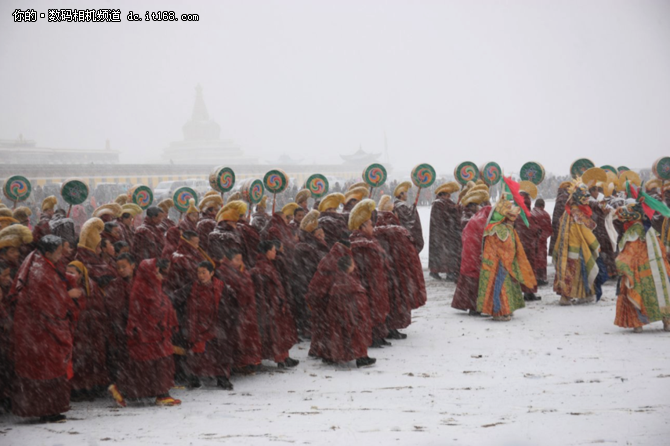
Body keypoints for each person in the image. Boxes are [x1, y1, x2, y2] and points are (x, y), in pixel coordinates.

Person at [11, 235, 83, 423]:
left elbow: (55, 278)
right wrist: (69, 295)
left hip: (34, 327)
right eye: (59, 252)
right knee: (48, 367)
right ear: (48, 252)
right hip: (40, 329)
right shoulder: (39, 272)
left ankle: (47, 408)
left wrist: (68, 279)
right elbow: (50, 303)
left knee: (45, 366)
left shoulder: (37, 260)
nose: (62, 255)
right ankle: (48, 409)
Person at [112, 258, 180, 407]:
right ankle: (124, 390)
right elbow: (150, 309)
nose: (157, 273)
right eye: (154, 271)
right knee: (148, 366)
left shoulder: (150, 284)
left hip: (156, 333)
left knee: (157, 364)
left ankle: (161, 393)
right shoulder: (141, 287)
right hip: (147, 334)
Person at [477, 187, 537, 321]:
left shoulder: (506, 228)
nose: (513, 220)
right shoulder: (497, 229)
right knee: (499, 288)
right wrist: (508, 260)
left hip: (506, 263)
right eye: (511, 218)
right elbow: (504, 247)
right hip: (498, 264)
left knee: (507, 287)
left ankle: (507, 309)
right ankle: (498, 312)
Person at [165, 230, 215, 382]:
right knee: (187, 338)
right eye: (195, 242)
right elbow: (191, 279)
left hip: (188, 299)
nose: (197, 245)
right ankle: (186, 372)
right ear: (187, 241)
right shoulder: (182, 258)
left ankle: (192, 371)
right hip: (185, 301)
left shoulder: (189, 255)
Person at [613, 201, 670, 333]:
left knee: (637, 294)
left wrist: (620, 263)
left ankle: (637, 323)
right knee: (662, 293)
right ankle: (667, 321)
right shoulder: (651, 231)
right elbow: (661, 251)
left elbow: (629, 252)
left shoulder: (634, 232)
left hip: (639, 271)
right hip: (657, 270)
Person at [374, 195, 426, 339]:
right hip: (396, 268)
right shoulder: (394, 227)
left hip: (386, 268)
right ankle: (392, 327)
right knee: (397, 298)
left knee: (389, 298)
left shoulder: (377, 225)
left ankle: (388, 326)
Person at [348, 199, 391, 347]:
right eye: (370, 225)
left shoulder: (369, 239)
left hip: (377, 280)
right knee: (372, 308)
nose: (373, 227)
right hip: (369, 282)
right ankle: (372, 337)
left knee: (379, 307)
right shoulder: (359, 242)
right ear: (362, 226)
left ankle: (379, 334)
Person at [553, 178, 602, 306]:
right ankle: (582, 294)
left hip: (566, 249)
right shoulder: (577, 214)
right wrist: (595, 245)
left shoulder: (568, 212)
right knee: (578, 273)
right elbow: (586, 232)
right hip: (577, 249)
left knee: (567, 273)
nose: (587, 199)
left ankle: (566, 296)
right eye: (584, 196)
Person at [186, 261, 234, 389]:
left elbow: (228, 306)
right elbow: (178, 296)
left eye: (204, 272)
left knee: (220, 353)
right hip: (198, 326)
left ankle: (222, 378)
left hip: (217, 325)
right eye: (199, 272)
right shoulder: (193, 287)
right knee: (197, 355)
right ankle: (194, 378)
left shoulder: (221, 287)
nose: (201, 276)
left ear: (212, 273)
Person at [250, 240, 299, 368]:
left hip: (274, 303)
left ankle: (284, 356)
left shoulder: (269, 265)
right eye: (272, 250)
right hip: (269, 305)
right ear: (266, 252)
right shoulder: (261, 268)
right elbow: (262, 290)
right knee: (274, 332)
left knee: (279, 331)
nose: (275, 252)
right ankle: (280, 359)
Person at [320, 255, 376, 367]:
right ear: (349, 267)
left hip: (337, 313)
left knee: (338, 334)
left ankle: (332, 355)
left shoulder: (337, 280)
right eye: (352, 263)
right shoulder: (350, 282)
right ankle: (361, 357)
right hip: (351, 313)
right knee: (357, 334)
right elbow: (357, 298)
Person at [67, 261, 110, 402]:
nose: (70, 275)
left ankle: (90, 387)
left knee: (90, 358)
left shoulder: (91, 287)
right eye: (68, 272)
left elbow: (99, 308)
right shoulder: (67, 287)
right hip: (75, 330)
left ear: (81, 273)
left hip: (91, 329)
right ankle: (76, 389)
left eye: (73, 272)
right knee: (77, 359)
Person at [216, 248, 262, 372]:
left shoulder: (242, 270)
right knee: (239, 337)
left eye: (241, 259)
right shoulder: (224, 272)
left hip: (249, 309)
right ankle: (240, 363)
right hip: (236, 309)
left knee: (250, 336)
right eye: (237, 260)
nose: (240, 262)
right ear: (229, 260)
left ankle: (251, 360)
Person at [292, 210, 329, 336]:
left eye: (323, 233)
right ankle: (307, 329)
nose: (322, 236)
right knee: (307, 308)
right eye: (319, 234)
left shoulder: (318, 245)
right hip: (306, 281)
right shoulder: (305, 248)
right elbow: (309, 267)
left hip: (313, 280)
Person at [452, 200, 492, 315]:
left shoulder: (475, 219)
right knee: (475, 282)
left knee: (468, 281)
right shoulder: (482, 221)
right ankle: (474, 307)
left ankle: (468, 304)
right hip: (475, 256)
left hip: (468, 254)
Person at [105, 253, 136, 391]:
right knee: (124, 360)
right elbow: (113, 308)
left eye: (124, 266)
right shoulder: (114, 285)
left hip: (137, 328)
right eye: (118, 267)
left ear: (133, 266)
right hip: (121, 328)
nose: (121, 270)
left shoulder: (140, 282)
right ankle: (126, 389)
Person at [515, 181, 540, 301]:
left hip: (519, 246)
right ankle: (528, 292)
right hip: (528, 246)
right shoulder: (526, 215)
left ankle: (523, 291)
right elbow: (532, 229)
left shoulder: (515, 213)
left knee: (520, 269)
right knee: (528, 269)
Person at [75, 218, 117, 289]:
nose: (100, 250)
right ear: (91, 247)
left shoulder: (90, 259)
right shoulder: (88, 262)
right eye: (98, 247)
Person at [208, 200, 248, 266]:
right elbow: (219, 257)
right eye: (234, 223)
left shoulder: (237, 232)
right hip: (226, 268)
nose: (236, 226)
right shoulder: (216, 236)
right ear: (227, 222)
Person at [393, 181, 424, 253]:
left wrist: (413, 208)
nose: (407, 195)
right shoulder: (400, 206)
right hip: (403, 236)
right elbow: (408, 218)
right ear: (401, 194)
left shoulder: (398, 205)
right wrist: (413, 209)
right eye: (405, 193)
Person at [532, 198, 553, 285]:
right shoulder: (546, 215)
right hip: (542, 242)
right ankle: (541, 278)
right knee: (542, 260)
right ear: (543, 206)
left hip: (532, 242)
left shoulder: (531, 214)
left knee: (534, 259)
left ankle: (534, 277)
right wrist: (543, 237)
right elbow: (549, 230)